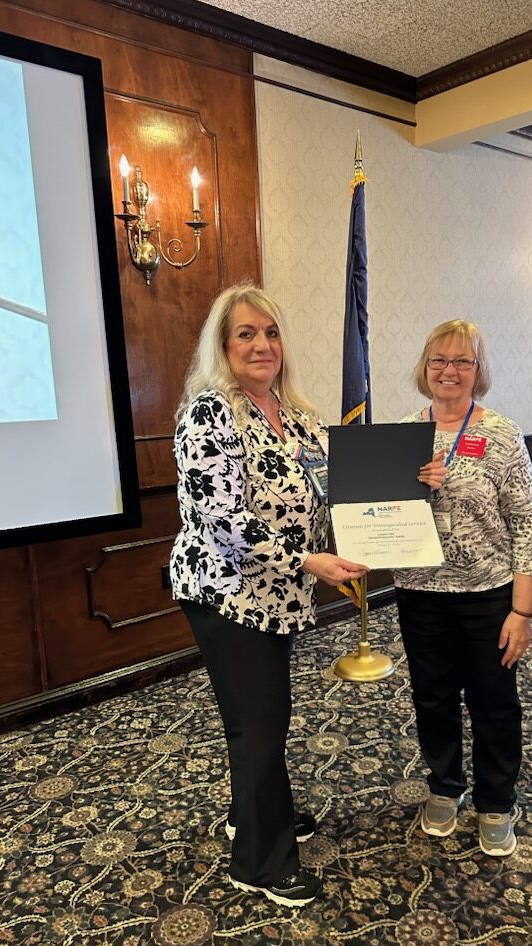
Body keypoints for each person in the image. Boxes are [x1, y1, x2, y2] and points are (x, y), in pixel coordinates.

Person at [170, 283, 367, 907]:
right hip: (225, 591)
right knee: (259, 721)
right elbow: (222, 520)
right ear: (223, 345)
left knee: (261, 716)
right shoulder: (210, 414)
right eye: (246, 334)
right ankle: (259, 861)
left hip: (277, 594)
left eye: (271, 332)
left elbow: (339, 485)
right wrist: (307, 559)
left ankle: (250, 813)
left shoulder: (296, 413)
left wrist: (410, 482)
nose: (262, 345)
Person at [394, 319, 532, 856]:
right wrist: (406, 489)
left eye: (462, 361)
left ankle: (496, 801)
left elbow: (528, 523)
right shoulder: (403, 434)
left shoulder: (501, 434)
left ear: (478, 371)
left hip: (488, 596)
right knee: (432, 697)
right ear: (425, 368)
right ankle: (444, 786)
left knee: (493, 700)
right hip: (419, 594)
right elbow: (381, 510)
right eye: (439, 360)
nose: (449, 371)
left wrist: (521, 613)